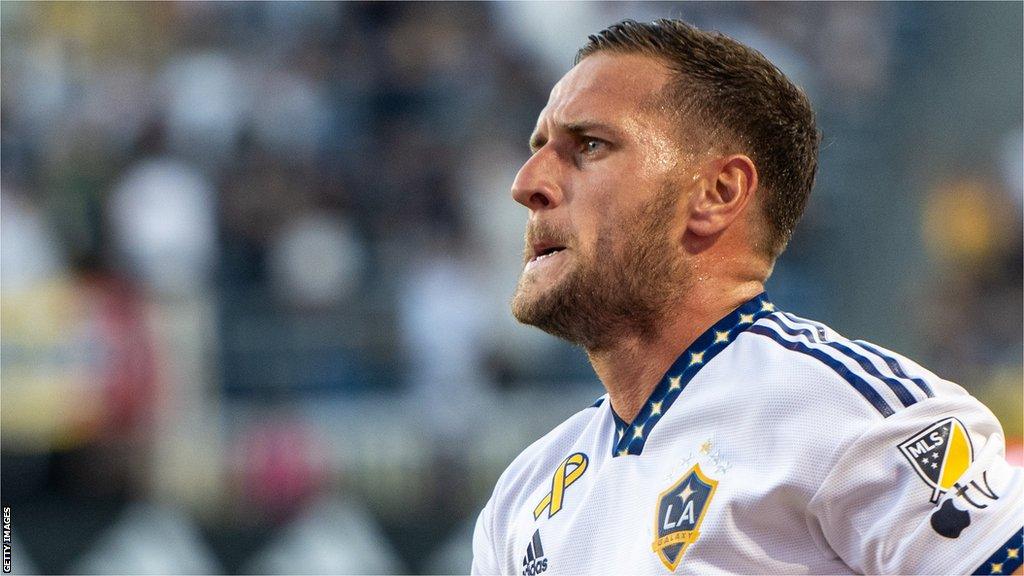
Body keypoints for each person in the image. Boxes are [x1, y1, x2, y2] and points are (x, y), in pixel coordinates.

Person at [471, 19, 1023, 576]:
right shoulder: (520, 499)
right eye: (539, 146)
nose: (526, 183)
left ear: (718, 193)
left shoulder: (848, 413)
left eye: (589, 145)